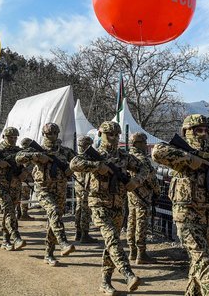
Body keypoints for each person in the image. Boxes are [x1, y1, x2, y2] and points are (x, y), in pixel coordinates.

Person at [152, 114, 209, 295]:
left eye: (206, 130)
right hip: (187, 215)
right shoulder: (182, 152)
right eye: (198, 130)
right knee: (204, 262)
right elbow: (157, 152)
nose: (203, 134)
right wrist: (190, 159)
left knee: (199, 263)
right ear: (187, 132)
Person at [70, 121, 145, 295]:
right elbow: (74, 163)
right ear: (101, 134)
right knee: (112, 238)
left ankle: (105, 282)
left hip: (118, 205)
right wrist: (98, 166)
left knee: (112, 243)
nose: (113, 138)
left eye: (116, 135)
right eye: (109, 134)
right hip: (98, 203)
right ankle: (128, 273)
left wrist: (136, 181)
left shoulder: (124, 156)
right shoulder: (94, 155)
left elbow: (145, 168)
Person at [16, 123, 76, 267]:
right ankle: (63, 242)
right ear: (44, 135)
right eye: (49, 134)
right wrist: (36, 156)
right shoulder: (37, 150)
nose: (52, 136)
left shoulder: (65, 151)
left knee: (54, 219)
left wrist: (70, 169)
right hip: (43, 189)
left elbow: (78, 161)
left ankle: (49, 253)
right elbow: (19, 157)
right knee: (54, 211)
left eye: (55, 133)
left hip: (60, 190)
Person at [126, 132, 161, 264]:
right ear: (137, 144)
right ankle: (141, 253)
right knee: (141, 222)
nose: (146, 145)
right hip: (143, 195)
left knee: (132, 221)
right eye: (144, 143)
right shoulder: (142, 159)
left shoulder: (128, 157)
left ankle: (132, 251)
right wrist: (157, 191)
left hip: (132, 194)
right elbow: (151, 178)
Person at [73, 135, 97, 243]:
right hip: (85, 187)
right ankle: (84, 234)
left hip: (79, 186)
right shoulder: (86, 159)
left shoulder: (78, 158)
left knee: (79, 209)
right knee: (85, 210)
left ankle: (78, 232)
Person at [18, 137, 34, 221]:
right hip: (26, 179)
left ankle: (19, 213)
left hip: (19, 179)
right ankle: (23, 214)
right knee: (25, 196)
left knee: (19, 196)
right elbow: (29, 167)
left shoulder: (19, 152)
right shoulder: (28, 154)